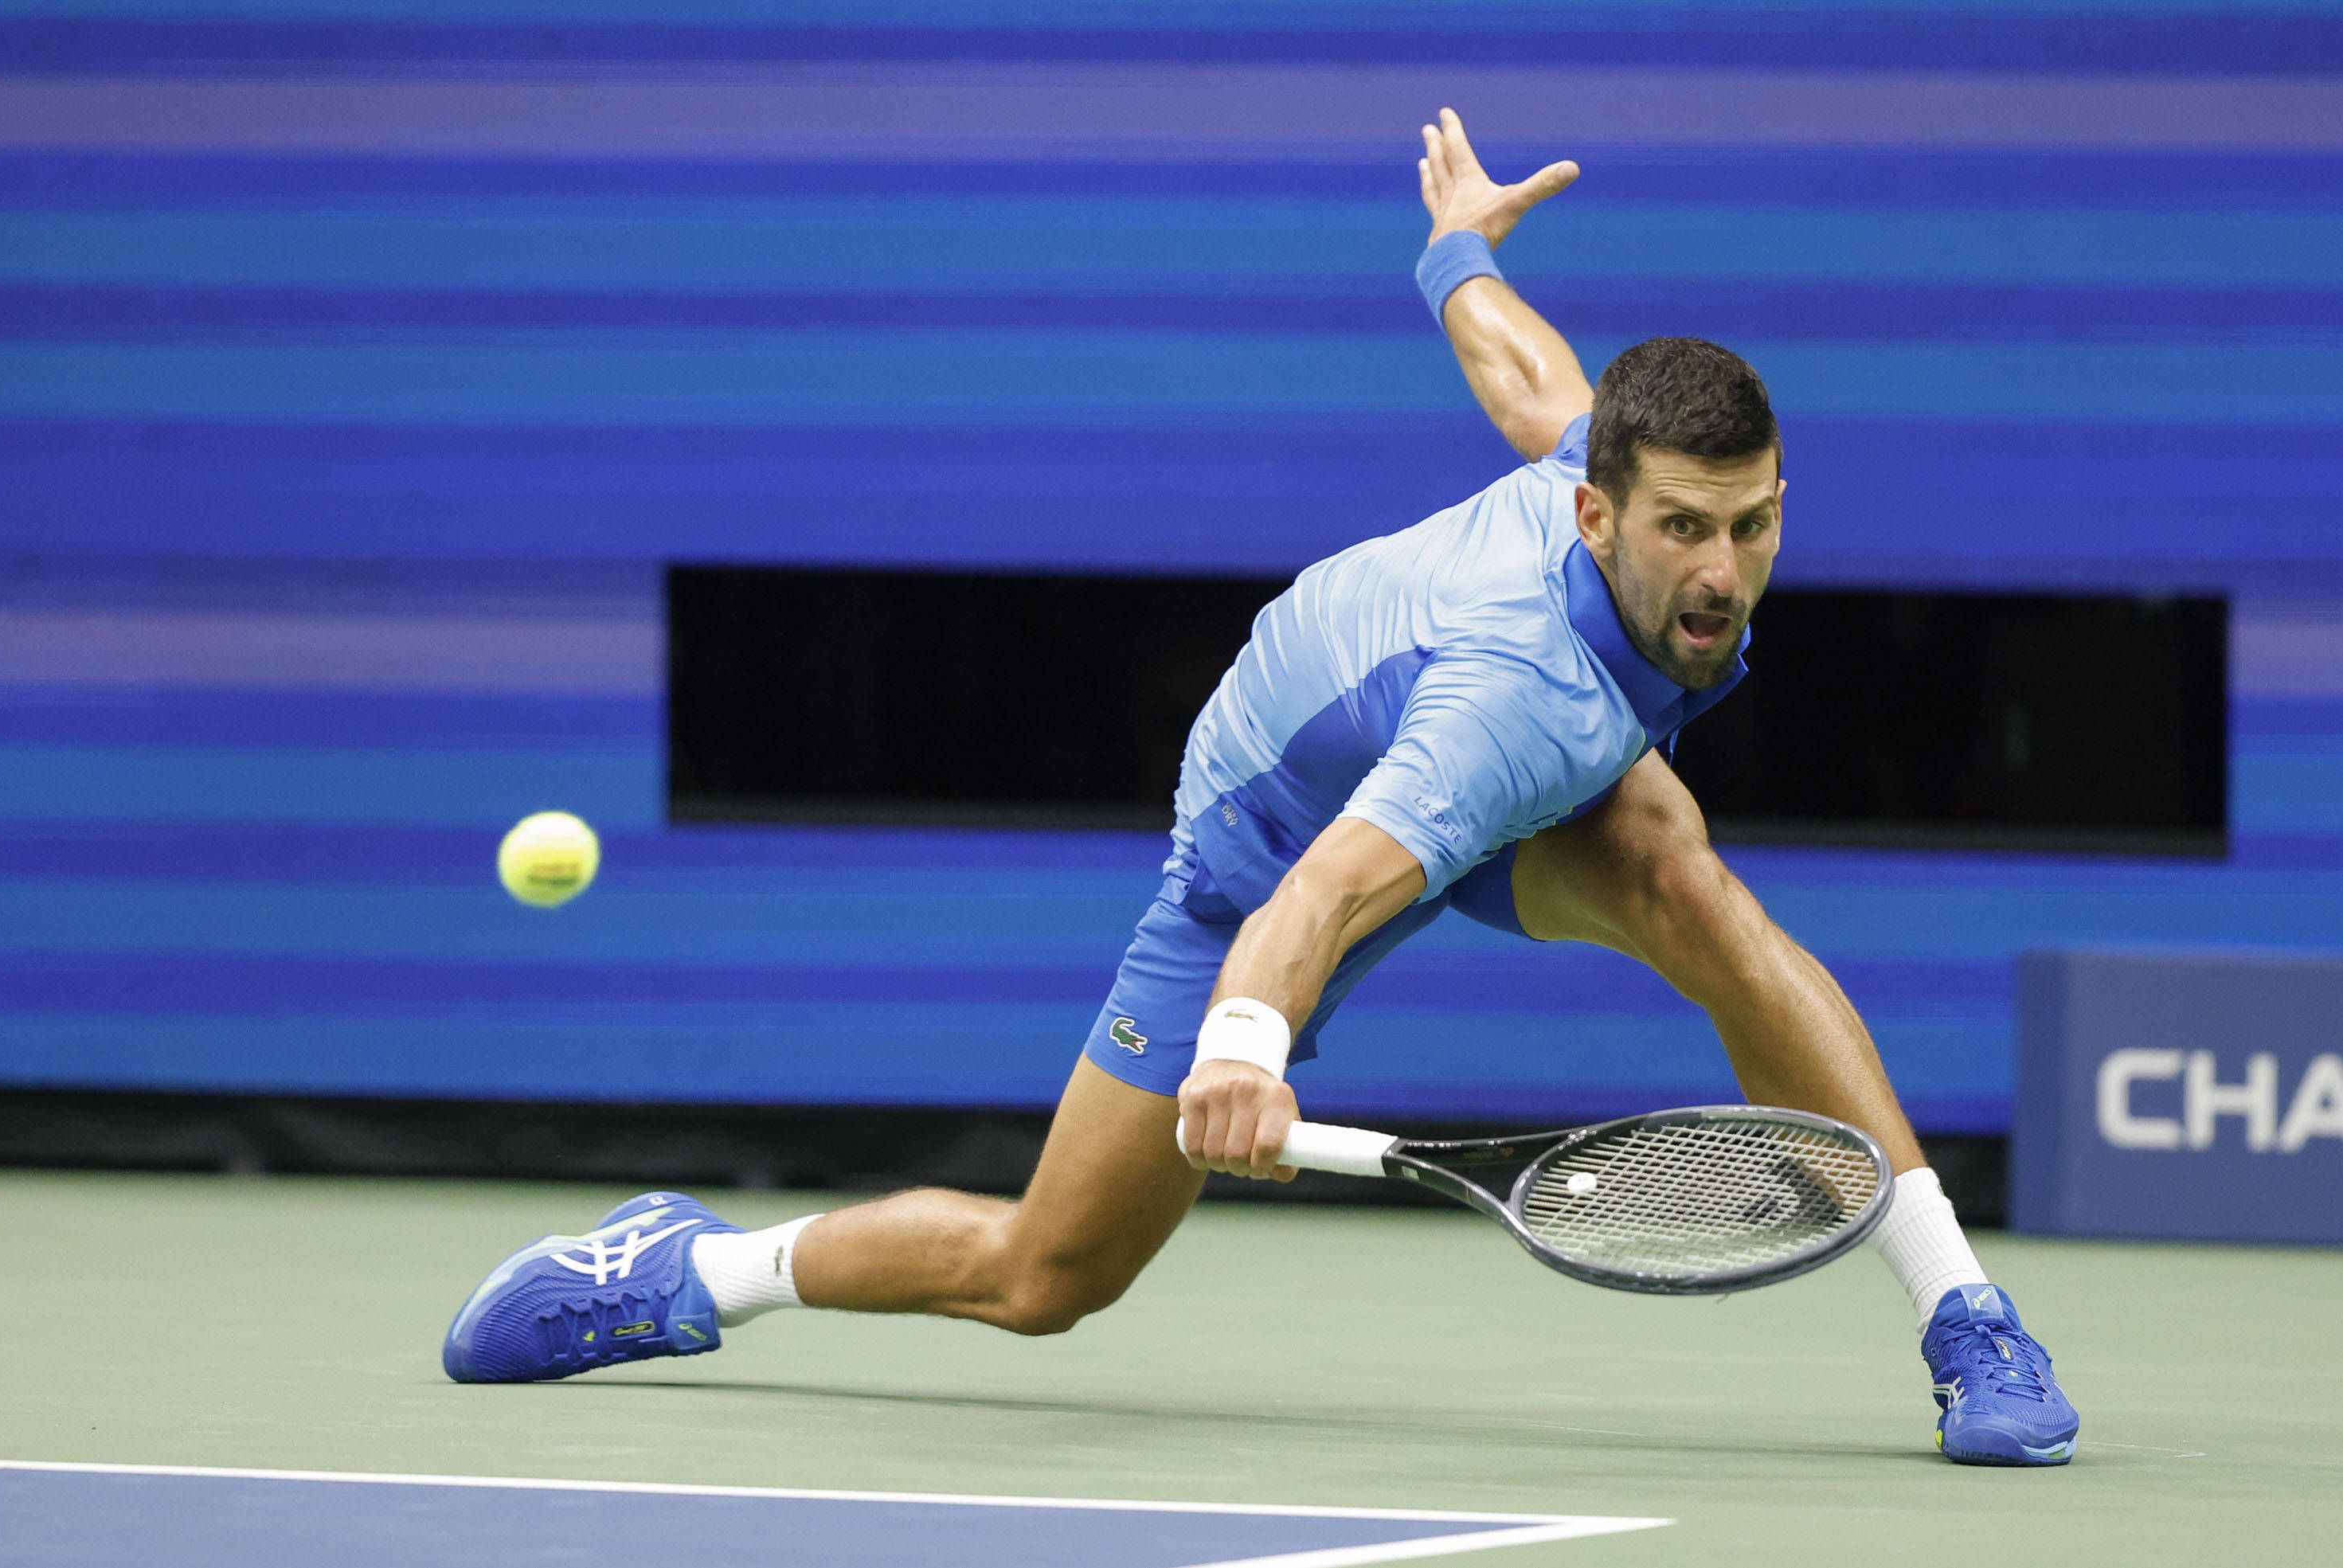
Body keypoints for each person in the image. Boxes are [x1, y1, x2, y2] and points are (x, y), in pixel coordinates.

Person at [442, 109, 2079, 1468]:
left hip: (1438, 782)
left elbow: (1525, 380)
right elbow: (1326, 893)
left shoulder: (1603, 464)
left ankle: (1965, 1318)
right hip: (1272, 839)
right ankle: (690, 1269)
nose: (1722, 571)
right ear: (1595, 522)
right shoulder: (1515, 700)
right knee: (1045, 1270)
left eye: (1753, 524)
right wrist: (1242, 1049)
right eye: (1682, 534)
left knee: (1681, 876)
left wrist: (1455, 252)